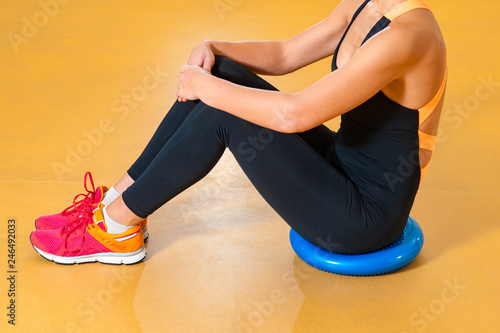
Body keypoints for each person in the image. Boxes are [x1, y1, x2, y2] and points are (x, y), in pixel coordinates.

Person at [30, 0, 447, 264]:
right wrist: (214, 50)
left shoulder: (407, 37)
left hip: (364, 218)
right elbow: (285, 54)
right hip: (340, 166)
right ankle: (115, 200)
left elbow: (294, 115)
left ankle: (118, 229)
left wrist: (205, 87)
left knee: (222, 110)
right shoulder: (368, 5)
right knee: (223, 73)